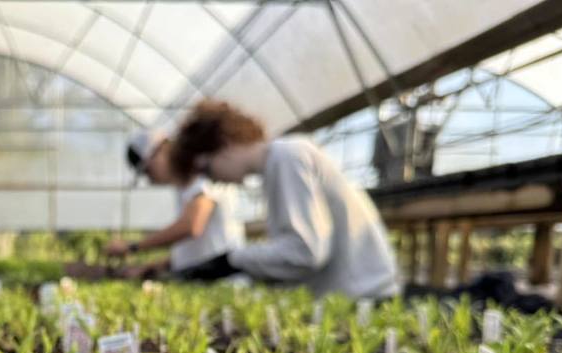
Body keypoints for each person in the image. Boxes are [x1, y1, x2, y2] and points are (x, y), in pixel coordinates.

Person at [170, 100, 400, 297]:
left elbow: (304, 253)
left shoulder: (286, 156)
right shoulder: (282, 160)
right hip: (359, 292)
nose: (213, 180)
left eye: (207, 170)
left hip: (365, 295)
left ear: (225, 144)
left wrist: (233, 261)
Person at [105, 130, 245, 280]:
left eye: (148, 170)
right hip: (204, 277)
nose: (150, 180)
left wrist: (132, 247)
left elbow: (191, 226)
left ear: (162, 150)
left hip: (224, 279)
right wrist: (150, 268)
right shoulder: (184, 188)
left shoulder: (201, 174)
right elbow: (191, 250)